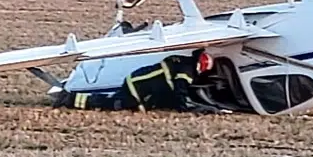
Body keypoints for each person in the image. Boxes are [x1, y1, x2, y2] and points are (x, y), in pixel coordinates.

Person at [55, 49, 214, 113]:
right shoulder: (186, 71)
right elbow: (180, 91)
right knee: (116, 104)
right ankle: (70, 99)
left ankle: (72, 99)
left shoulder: (182, 63)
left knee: (134, 107)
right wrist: (186, 109)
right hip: (137, 84)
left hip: (142, 83)